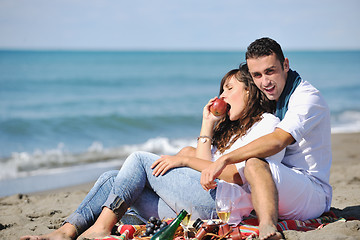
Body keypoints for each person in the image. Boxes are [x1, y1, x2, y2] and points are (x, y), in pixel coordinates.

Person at [20, 64, 283, 240]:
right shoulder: (229, 129)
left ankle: (100, 229)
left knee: (139, 160)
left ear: (249, 91)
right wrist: (207, 125)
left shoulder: (265, 125)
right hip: (200, 201)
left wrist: (182, 159)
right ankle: (65, 232)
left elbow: (236, 176)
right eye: (221, 89)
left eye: (230, 89)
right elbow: (206, 169)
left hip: (223, 206)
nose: (222, 96)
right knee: (113, 178)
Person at [201, 37, 332, 240]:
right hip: (280, 182)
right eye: (257, 75)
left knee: (253, 162)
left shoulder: (306, 98)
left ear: (285, 65)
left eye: (270, 71)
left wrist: (225, 159)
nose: (264, 81)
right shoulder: (274, 97)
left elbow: (278, 140)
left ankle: (267, 228)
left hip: (311, 192)